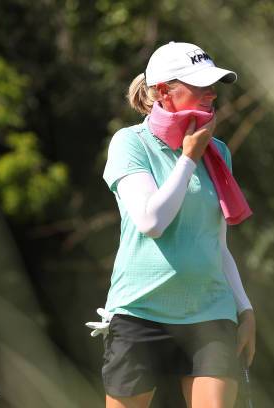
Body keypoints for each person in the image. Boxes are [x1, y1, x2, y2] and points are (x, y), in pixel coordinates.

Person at [90, 41, 255, 408]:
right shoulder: (130, 144)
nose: (212, 93)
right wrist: (188, 158)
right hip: (140, 312)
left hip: (210, 313)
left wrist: (245, 310)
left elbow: (217, 244)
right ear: (164, 91)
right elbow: (152, 221)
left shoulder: (218, 150)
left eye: (213, 84)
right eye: (199, 85)